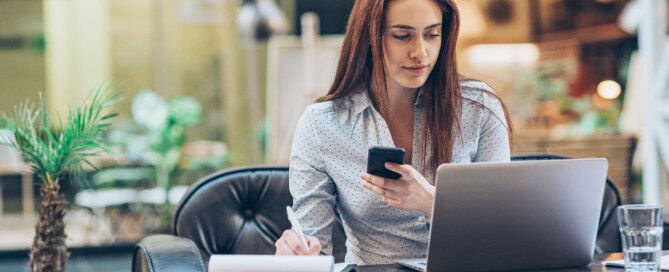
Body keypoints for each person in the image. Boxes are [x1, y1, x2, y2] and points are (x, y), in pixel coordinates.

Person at [275, 0, 513, 265]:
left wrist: (434, 202)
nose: (421, 52)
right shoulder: (322, 125)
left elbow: (502, 231)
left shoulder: (480, 108)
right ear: (368, 36)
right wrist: (295, 254)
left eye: (432, 34)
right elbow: (312, 249)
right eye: (402, 36)